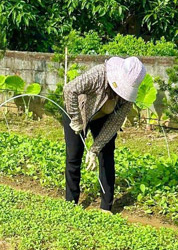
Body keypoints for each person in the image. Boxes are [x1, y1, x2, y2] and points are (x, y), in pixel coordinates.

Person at [63, 56, 146, 212]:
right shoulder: (99, 74)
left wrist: (94, 149)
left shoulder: (127, 99)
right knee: (74, 155)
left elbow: (114, 123)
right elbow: (69, 89)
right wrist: (75, 118)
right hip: (78, 111)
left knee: (106, 155)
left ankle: (105, 207)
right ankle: (70, 203)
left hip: (103, 118)